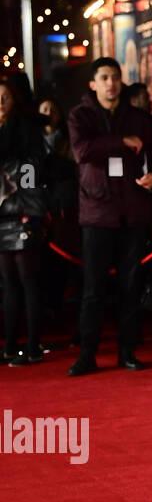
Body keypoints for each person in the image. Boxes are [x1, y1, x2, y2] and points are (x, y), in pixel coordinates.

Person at [66, 57, 152, 375]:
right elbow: (82, 152)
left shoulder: (137, 117)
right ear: (93, 83)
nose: (111, 83)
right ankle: (87, 353)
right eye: (105, 77)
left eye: (116, 77)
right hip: (96, 212)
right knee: (93, 288)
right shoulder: (80, 115)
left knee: (130, 286)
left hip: (133, 209)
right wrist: (120, 142)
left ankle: (127, 350)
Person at [0, 77, 51, 363]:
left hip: (23, 210)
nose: (0, 104)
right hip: (1, 213)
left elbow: (34, 168)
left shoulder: (26, 127)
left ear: (14, 99)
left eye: (5, 97)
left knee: (28, 279)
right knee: (8, 282)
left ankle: (32, 345)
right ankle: (9, 345)